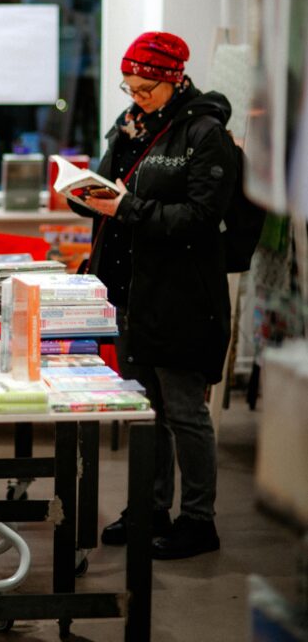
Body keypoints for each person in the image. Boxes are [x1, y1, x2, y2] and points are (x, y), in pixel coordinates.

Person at [70, 31, 236, 560]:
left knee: (184, 412)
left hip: (183, 296)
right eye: (131, 87)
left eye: (146, 88)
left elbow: (201, 218)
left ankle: (199, 521)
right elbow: (108, 184)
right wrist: (83, 193)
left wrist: (128, 209)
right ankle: (150, 507)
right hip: (130, 292)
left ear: (174, 80)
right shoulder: (130, 126)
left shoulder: (205, 133)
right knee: (148, 410)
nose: (137, 97)